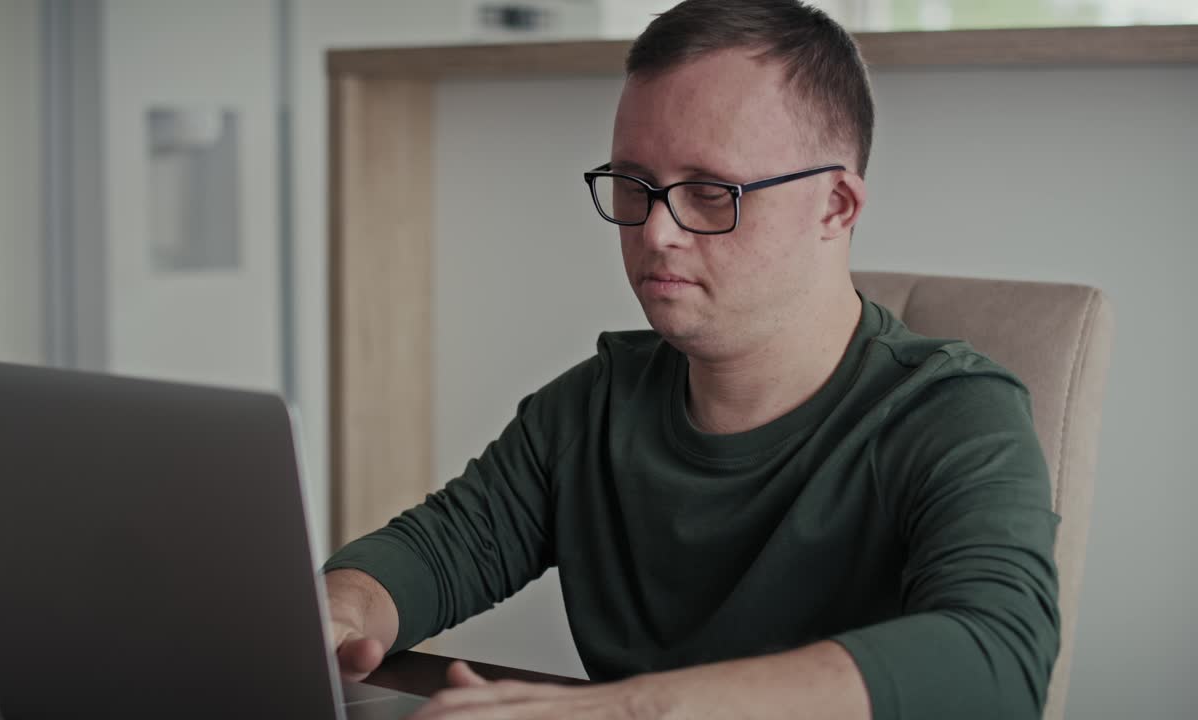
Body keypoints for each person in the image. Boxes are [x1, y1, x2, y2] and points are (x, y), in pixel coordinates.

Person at [320, 1, 1059, 718]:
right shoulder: (595, 407)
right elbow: (438, 549)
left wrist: (630, 708)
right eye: (636, 185)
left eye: (710, 192)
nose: (659, 232)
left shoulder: (959, 414)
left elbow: (994, 661)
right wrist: (343, 606)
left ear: (836, 206)